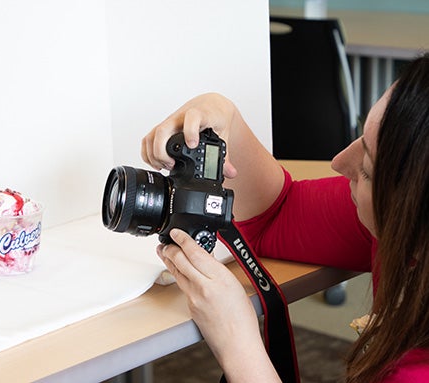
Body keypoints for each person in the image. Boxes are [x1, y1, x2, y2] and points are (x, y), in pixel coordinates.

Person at [140, 53, 429, 382]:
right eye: (362, 139)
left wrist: (239, 345)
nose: (339, 162)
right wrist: (222, 114)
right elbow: (279, 217)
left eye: (366, 168)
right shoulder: (398, 225)